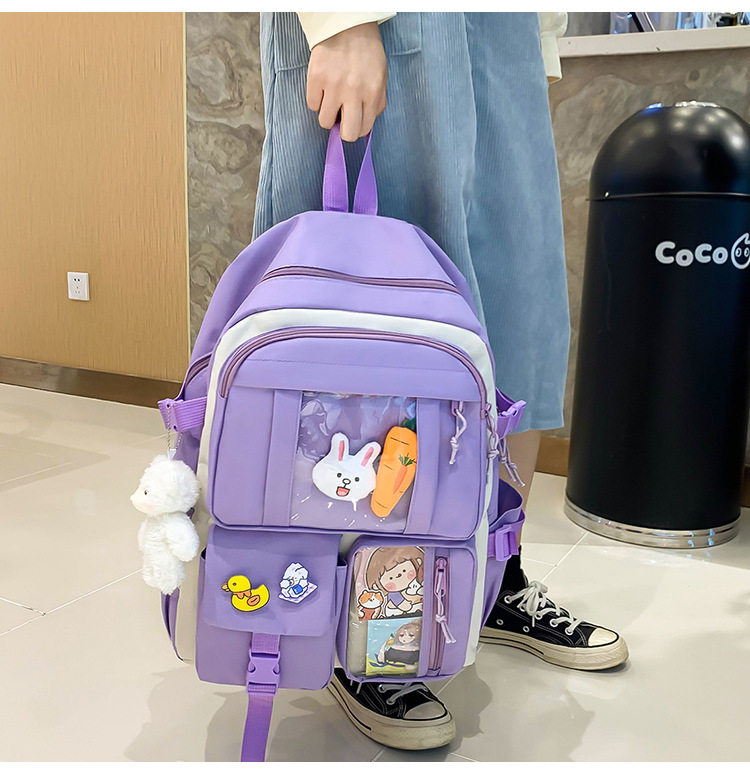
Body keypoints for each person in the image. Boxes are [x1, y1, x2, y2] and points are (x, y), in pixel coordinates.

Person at [253, 11, 629, 750]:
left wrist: (532, 40)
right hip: (387, 22)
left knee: (515, 310)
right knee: (377, 322)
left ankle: (492, 577)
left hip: (498, 32)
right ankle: (361, 614)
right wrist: (341, 23)